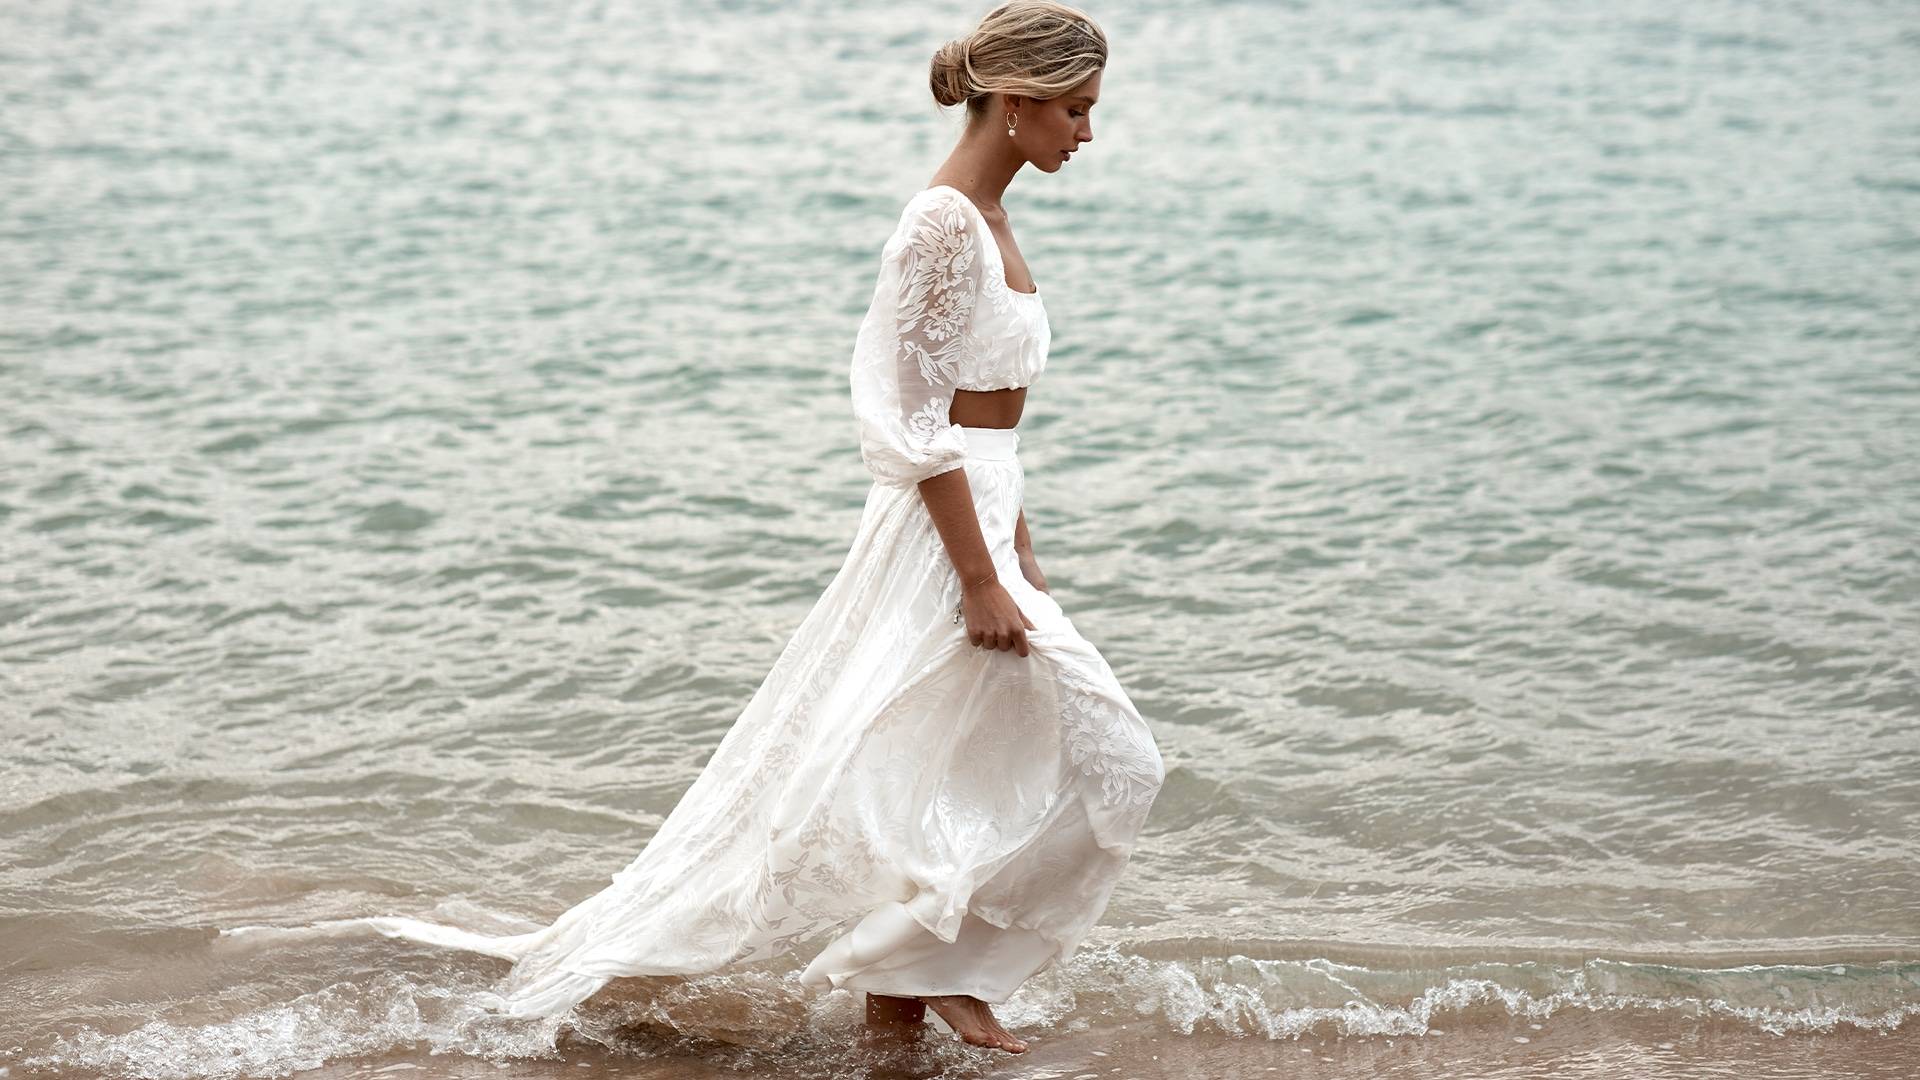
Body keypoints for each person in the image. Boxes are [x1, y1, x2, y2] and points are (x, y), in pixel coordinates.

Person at [220, 0, 1162, 1059]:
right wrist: (981, 576)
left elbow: (983, 417)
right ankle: (928, 973)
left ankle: (901, 995)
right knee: (1107, 757)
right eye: (1077, 110)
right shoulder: (942, 222)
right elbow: (911, 419)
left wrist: (1019, 543)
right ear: (1021, 100)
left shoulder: (992, 218)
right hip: (940, 538)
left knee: (955, 758)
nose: (1086, 133)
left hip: (982, 518)